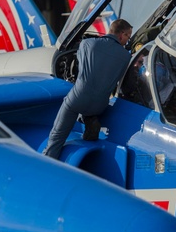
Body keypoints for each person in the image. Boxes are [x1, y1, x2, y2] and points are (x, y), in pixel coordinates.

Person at [43, 19, 134, 159]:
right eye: (128, 36)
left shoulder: (87, 44)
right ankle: (89, 119)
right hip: (100, 106)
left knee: (57, 137)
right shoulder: (126, 57)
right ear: (121, 34)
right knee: (91, 102)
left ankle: (48, 160)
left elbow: (79, 65)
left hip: (78, 99)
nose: (127, 41)